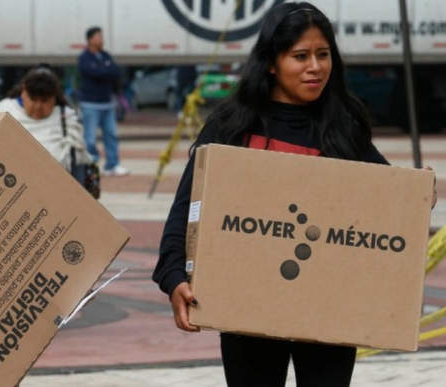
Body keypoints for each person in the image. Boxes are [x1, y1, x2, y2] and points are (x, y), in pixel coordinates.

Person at [152, 3, 437, 387]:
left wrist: (416, 195)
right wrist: (173, 276)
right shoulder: (230, 127)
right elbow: (187, 210)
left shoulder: (344, 129)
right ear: (271, 62)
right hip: (246, 310)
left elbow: (386, 203)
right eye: (300, 56)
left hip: (329, 309)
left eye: (323, 55)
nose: (315, 67)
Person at [0, 67, 92, 183]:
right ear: (23, 93)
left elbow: (77, 166)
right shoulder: (3, 111)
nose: (38, 106)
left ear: (54, 98)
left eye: (44, 101)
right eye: (33, 99)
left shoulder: (66, 119)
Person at [77, 26, 129, 177]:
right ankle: (92, 165)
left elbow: (115, 71)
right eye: (99, 36)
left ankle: (112, 164)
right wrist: (105, 71)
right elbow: (96, 74)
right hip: (90, 104)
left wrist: (103, 72)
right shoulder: (84, 58)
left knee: (111, 135)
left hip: (107, 103)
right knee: (90, 139)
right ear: (90, 39)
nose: (102, 39)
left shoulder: (106, 55)